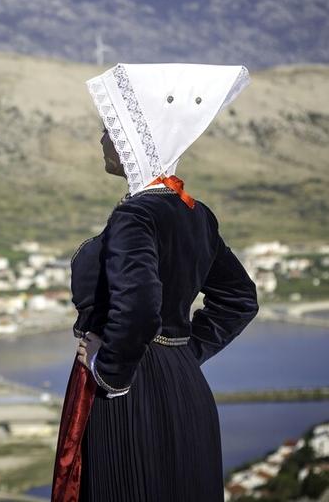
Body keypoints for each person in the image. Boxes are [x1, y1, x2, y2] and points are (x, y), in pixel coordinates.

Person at [51, 62, 260, 502]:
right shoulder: (193, 212)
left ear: (134, 141)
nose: (103, 139)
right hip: (185, 390)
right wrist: (182, 353)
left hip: (129, 396)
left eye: (111, 130)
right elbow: (239, 300)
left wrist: (107, 370)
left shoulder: (135, 215)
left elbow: (141, 304)